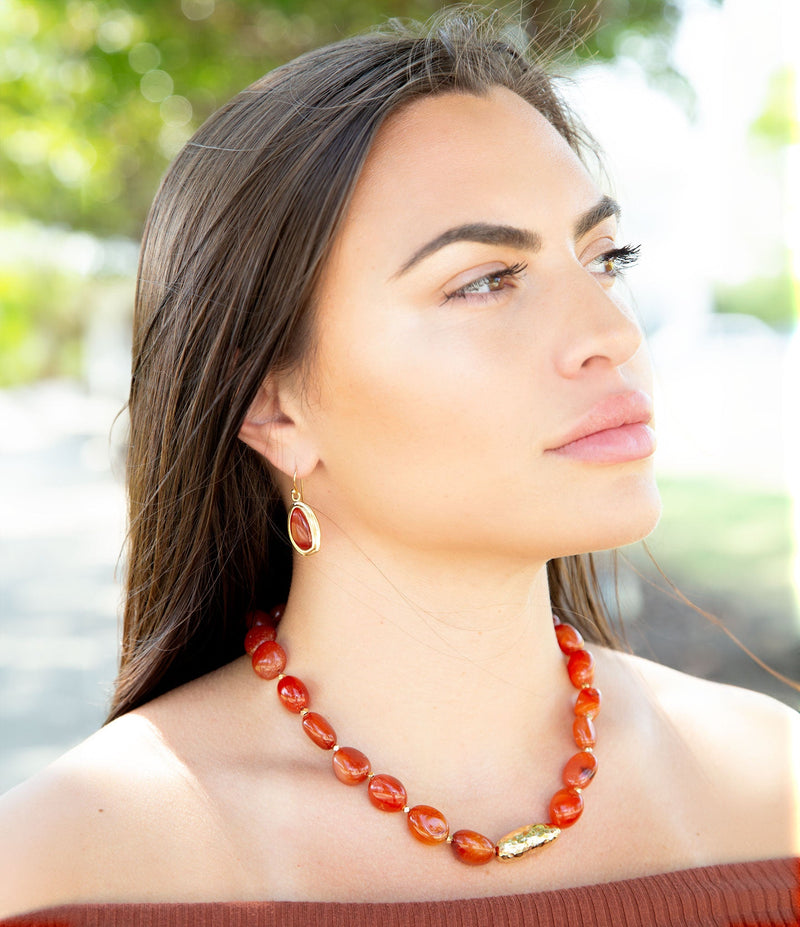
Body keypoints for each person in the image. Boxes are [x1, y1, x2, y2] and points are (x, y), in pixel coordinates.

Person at [0, 8, 797, 925]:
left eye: (604, 257)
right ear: (274, 406)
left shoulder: (774, 787)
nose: (613, 335)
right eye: (486, 279)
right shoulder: (65, 866)